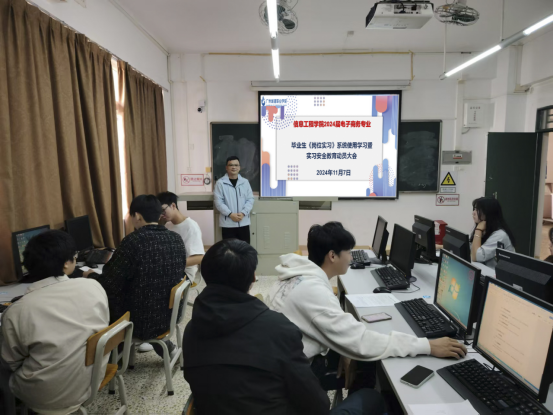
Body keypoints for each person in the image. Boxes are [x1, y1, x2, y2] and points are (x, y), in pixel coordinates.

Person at [183, 239, 385, 415]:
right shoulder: (277, 329)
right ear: (253, 278)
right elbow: (318, 406)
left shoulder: (191, 330)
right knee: (371, 397)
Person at [268, 222, 467, 392]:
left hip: (284, 365)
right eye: (348, 252)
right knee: (371, 377)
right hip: (298, 377)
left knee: (362, 350)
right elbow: (361, 342)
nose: (351, 258)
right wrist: (427, 346)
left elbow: (333, 325)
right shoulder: (313, 292)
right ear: (332, 256)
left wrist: (344, 347)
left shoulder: (299, 275)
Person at [1, 230, 109, 414]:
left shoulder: (17, 311)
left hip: (45, 395)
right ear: (66, 263)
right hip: (91, 379)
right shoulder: (93, 286)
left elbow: (11, 362)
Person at [85, 195, 187, 359]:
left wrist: (89, 275)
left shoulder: (133, 241)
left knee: (97, 298)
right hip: (169, 315)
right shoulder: (176, 239)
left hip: (140, 321)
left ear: (137, 216)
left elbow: (109, 283)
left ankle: (107, 357)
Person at [157, 191, 205, 281]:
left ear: (173, 205)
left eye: (163, 210)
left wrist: (173, 264)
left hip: (185, 273)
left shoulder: (190, 226)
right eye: (159, 212)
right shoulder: (168, 225)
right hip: (171, 269)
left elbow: (199, 257)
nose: (162, 215)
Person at [214, 156, 255, 244]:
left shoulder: (245, 182)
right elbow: (218, 202)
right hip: (228, 223)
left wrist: (243, 213)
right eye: (231, 165)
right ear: (226, 167)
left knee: (244, 248)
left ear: (239, 167)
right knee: (229, 249)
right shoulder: (220, 183)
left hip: (243, 222)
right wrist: (230, 214)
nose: (234, 167)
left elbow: (250, 199)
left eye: (236, 165)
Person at [470, 197, 516, 268]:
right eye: (474, 209)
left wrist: (478, 230)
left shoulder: (500, 235)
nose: (473, 213)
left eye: (478, 210)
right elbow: (471, 250)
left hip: (500, 274)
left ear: (488, 213)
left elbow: (476, 256)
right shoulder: (485, 229)